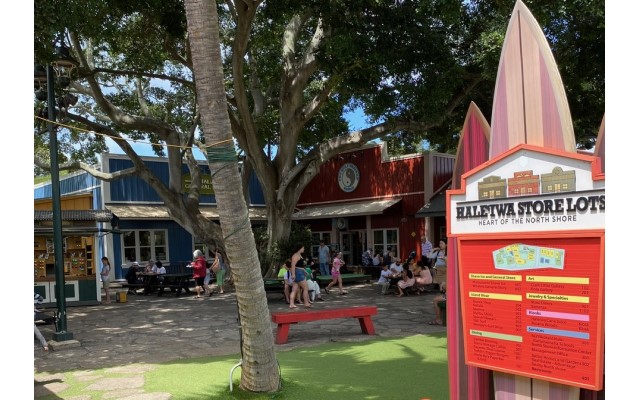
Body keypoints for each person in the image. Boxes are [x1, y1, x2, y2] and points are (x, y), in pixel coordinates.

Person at [289, 245, 312, 309]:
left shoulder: (299, 255)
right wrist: (293, 274)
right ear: (299, 248)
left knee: (294, 289)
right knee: (306, 288)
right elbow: (293, 265)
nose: (304, 249)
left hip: (299, 272)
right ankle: (306, 303)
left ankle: (291, 304)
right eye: (303, 248)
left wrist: (303, 270)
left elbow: (298, 266)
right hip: (298, 273)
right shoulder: (295, 255)